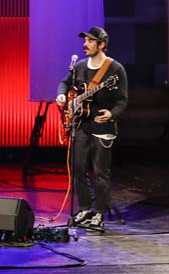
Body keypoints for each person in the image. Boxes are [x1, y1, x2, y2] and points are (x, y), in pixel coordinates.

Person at [55, 27, 128, 230]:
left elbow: (122, 100)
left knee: (100, 172)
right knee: (78, 168)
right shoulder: (79, 66)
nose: (85, 44)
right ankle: (85, 209)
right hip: (81, 123)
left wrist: (112, 114)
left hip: (103, 125)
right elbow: (64, 83)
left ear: (102, 44)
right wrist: (61, 95)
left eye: (90, 41)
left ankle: (99, 213)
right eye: (85, 40)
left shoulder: (115, 69)